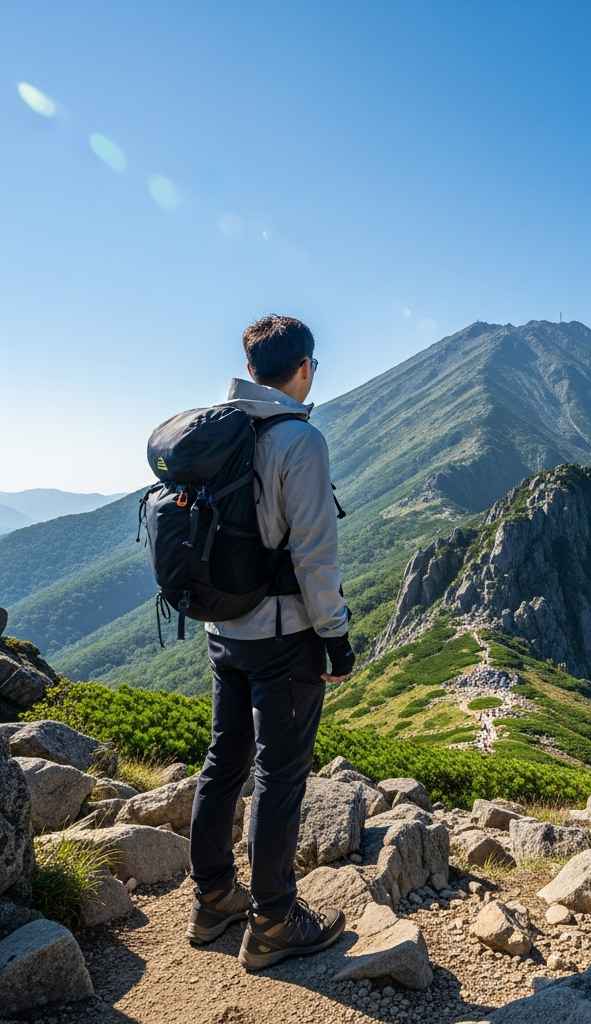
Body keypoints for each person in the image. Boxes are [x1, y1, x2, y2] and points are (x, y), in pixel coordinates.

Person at [186, 314, 355, 971]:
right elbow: (315, 555)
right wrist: (336, 638)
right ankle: (276, 921)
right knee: (278, 777)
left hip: (222, 630)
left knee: (223, 761)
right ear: (304, 367)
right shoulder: (297, 440)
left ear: (250, 367)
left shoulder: (219, 431)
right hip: (284, 637)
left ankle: (213, 900)